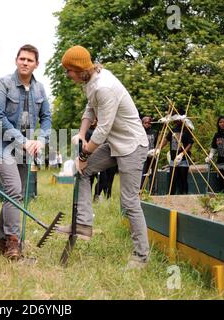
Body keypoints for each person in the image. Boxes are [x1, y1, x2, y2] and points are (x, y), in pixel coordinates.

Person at [57, 45, 150, 269]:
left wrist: (84, 153)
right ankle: (83, 224)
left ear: (79, 69)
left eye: (69, 70)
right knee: (84, 171)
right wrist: (81, 133)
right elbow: (90, 108)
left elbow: (103, 129)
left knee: (129, 201)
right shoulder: (91, 81)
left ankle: (141, 256)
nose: (67, 75)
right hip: (114, 143)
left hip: (131, 146)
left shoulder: (104, 86)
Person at [0, 44, 51, 260]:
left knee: (13, 194)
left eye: (30, 60)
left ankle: (1, 240)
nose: (25, 63)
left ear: (36, 64)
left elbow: (46, 118)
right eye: (22, 58)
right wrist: (23, 140)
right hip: (2, 146)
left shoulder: (40, 89)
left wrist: (41, 140)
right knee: (15, 191)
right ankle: (14, 244)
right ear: (16, 60)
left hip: (25, 149)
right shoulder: (2, 84)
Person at [156, 109, 194, 195]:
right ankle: (171, 195)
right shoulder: (172, 129)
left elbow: (190, 143)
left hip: (183, 159)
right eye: (176, 119)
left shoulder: (187, 129)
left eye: (178, 119)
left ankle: (184, 194)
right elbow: (166, 140)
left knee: (183, 178)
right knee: (173, 179)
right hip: (173, 159)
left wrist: (182, 153)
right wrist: (159, 148)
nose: (177, 121)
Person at [205, 115, 224, 194]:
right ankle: (223, 200)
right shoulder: (217, 135)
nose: (222, 124)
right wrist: (210, 155)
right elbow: (214, 148)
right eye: (220, 122)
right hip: (220, 163)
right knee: (221, 184)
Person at [141, 116, 158, 190]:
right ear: (142, 123)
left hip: (152, 155)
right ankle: (141, 189)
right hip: (143, 156)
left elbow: (156, 143)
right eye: (145, 123)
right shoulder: (140, 132)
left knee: (153, 173)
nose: (147, 124)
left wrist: (155, 151)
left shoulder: (154, 132)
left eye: (149, 123)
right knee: (143, 173)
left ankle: (153, 189)